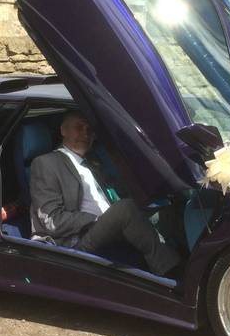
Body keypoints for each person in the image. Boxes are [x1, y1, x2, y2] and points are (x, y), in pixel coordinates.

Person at [29, 110, 181, 278]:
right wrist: (97, 219)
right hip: (75, 240)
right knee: (125, 209)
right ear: (63, 130)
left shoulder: (93, 162)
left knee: (167, 209)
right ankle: (171, 274)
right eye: (79, 128)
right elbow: (51, 220)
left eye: (90, 130)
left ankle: (190, 261)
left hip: (107, 226)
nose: (85, 134)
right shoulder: (46, 163)